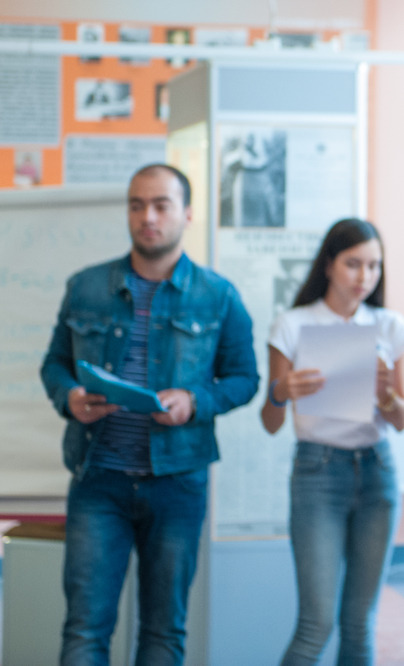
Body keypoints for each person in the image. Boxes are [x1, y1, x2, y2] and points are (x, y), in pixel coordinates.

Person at [40, 163, 259, 665]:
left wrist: (195, 401)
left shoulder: (218, 295)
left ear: (187, 213)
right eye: (137, 205)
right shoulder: (86, 286)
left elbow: (245, 378)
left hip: (177, 484)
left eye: (161, 205)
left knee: (163, 632)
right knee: (84, 630)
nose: (148, 217)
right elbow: (55, 363)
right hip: (99, 480)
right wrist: (70, 396)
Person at [260, 218, 404, 666]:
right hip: (317, 473)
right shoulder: (292, 324)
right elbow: (270, 422)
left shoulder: (390, 326)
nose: (364, 276)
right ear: (328, 265)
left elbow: (403, 420)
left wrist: (386, 396)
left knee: (360, 622)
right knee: (317, 623)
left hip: (376, 470)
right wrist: (281, 391)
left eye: (374, 266)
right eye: (353, 264)